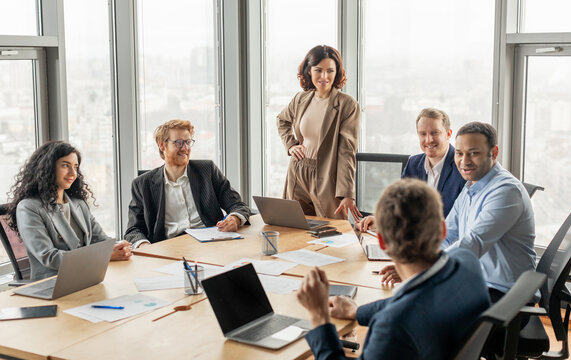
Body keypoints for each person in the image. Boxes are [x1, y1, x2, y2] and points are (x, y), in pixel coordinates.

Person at [297, 179, 490, 359]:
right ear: (442, 230)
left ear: (382, 242)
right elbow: (409, 302)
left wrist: (320, 318)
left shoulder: (393, 326)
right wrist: (358, 312)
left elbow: (403, 310)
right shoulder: (467, 263)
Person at [378, 122, 536, 302]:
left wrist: (420, 269)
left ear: (493, 153)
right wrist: (414, 263)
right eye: (459, 153)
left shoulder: (506, 191)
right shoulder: (471, 187)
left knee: (416, 305)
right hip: (477, 284)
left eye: (474, 153)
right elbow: (448, 234)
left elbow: (472, 244)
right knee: (408, 297)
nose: (464, 161)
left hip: (505, 298)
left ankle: (362, 314)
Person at [7, 141, 132, 280]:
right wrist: (102, 255)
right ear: (47, 167)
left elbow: (101, 240)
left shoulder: (79, 204)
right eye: (65, 165)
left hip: (87, 276)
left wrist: (119, 247)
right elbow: (49, 256)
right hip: (53, 282)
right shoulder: (29, 207)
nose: (73, 173)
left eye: (76, 167)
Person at [124, 119, 251, 247]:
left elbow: (237, 205)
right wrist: (146, 247)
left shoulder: (207, 170)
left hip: (212, 244)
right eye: (179, 143)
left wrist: (234, 218)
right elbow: (133, 231)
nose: (185, 148)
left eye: (188, 142)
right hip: (169, 248)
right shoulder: (142, 184)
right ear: (162, 145)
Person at [277, 45, 361, 220]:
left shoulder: (347, 105)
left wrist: (347, 193)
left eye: (330, 71)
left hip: (326, 176)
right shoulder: (300, 99)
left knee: (332, 233)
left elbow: (347, 151)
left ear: (337, 72)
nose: (324, 76)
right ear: (309, 71)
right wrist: (291, 145)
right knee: (292, 227)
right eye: (318, 70)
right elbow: (282, 120)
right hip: (298, 170)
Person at [357, 107, 464, 232]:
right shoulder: (414, 163)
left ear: (448, 134)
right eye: (423, 134)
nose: (429, 140)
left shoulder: (462, 166)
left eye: (435, 132)